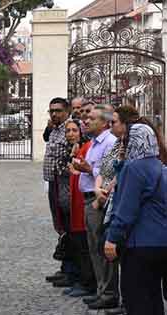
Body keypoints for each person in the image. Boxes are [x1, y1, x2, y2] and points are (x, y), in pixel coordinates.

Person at [104, 122, 167, 315]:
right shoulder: (160, 166)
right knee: (154, 297)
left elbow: (126, 209)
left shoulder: (134, 168)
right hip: (161, 242)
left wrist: (112, 238)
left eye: (126, 140)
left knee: (137, 299)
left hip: (140, 243)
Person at [72, 104, 118, 310]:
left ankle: (108, 293)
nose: (86, 121)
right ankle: (101, 290)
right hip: (88, 198)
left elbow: (108, 173)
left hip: (99, 200)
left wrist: (88, 169)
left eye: (91, 118)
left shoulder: (110, 142)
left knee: (102, 247)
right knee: (94, 248)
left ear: (104, 122)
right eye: (86, 118)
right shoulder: (93, 142)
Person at [63, 119, 96, 298]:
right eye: (68, 131)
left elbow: (85, 172)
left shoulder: (87, 147)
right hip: (75, 200)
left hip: (82, 200)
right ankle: (82, 279)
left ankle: (88, 282)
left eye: (74, 130)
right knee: (79, 243)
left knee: (84, 245)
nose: (70, 134)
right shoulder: (75, 148)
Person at [42, 98, 71, 285]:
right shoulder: (55, 128)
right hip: (53, 182)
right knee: (59, 225)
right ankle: (65, 267)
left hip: (65, 183)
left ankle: (71, 271)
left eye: (58, 110)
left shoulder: (70, 129)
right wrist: (49, 127)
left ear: (67, 111)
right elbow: (46, 139)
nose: (54, 114)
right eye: (51, 110)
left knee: (68, 226)